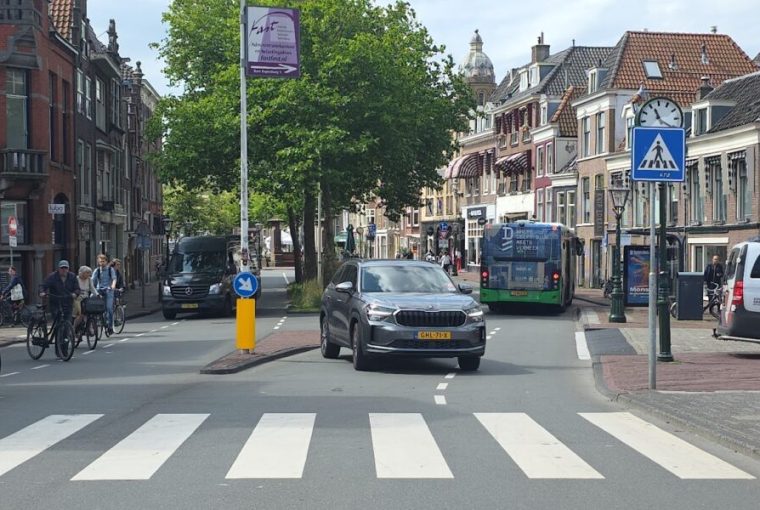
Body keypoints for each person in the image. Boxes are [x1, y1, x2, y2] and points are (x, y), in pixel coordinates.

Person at [93, 254, 117, 334]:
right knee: (91, 299)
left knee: (109, 308)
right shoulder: (97, 270)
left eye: (103, 261)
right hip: (99, 289)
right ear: (98, 262)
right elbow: (92, 281)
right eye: (100, 262)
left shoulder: (110, 270)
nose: (102, 263)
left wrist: (113, 285)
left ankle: (110, 327)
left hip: (108, 290)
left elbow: (114, 279)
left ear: (106, 262)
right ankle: (91, 322)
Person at [73, 266, 97, 332]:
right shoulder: (76, 279)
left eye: (89, 273)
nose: (88, 274)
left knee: (88, 310)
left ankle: (89, 325)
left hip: (86, 297)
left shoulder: (89, 279)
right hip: (78, 298)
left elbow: (92, 288)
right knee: (79, 313)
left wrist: (97, 294)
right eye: (87, 273)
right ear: (82, 273)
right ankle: (74, 327)